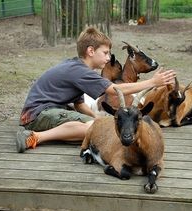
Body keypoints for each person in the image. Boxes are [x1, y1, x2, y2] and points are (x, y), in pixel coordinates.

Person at [16, 27, 176, 153]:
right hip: (38, 114)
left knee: (96, 126)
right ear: (91, 51)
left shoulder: (76, 68)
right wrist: (152, 82)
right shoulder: (80, 71)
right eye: (105, 53)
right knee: (92, 128)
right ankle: (34, 137)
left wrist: (96, 116)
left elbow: (79, 105)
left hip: (44, 112)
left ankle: (62, 133)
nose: (108, 58)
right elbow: (114, 90)